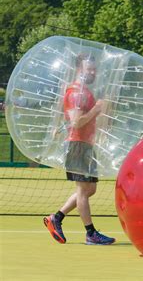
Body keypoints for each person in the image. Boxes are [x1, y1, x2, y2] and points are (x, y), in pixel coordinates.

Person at [43, 54, 115, 245]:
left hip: (85, 145)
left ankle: (56, 218)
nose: (92, 72)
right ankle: (90, 234)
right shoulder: (76, 93)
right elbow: (76, 121)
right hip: (77, 145)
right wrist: (97, 110)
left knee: (90, 189)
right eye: (88, 69)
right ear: (79, 70)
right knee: (83, 190)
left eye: (93, 69)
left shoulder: (85, 92)